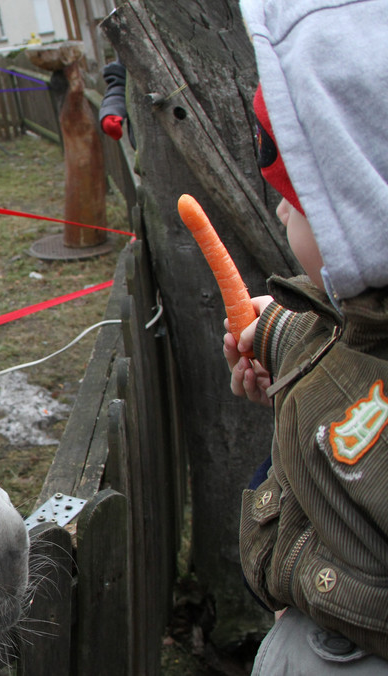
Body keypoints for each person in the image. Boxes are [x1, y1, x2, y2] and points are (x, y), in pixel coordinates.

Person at [224, 0, 388, 672]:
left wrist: (315, 587)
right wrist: (283, 338)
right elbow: (353, 348)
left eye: (302, 197)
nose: (284, 210)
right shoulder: (353, 320)